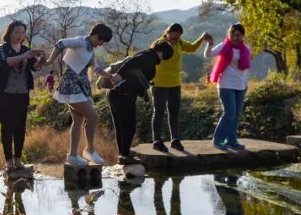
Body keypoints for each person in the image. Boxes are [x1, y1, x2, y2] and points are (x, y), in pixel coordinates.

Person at [43, 24, 116, 166]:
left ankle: (73, 155)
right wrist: (50, 61)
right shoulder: (80, 41)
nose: (100, 45)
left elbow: (97, 69)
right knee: (93, 116)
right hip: (71, 83)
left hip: (81, 85)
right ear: (96, 36)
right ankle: (89, 150)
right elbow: (60, 43)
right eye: (101, 41)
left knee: (78, 121)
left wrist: (110, 76)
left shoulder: (90, 50)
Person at [106, 41, 174, 165]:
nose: (163, 60)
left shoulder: (145, 54)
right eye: (165, 56)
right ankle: (124, 155)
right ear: (161, 52)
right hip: (123, 95)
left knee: (120, 126)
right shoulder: (149, 58)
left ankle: (122, 155)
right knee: (129, 126)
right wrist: (119, 75)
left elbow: (134, 71)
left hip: (115, 94)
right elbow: (130, 63)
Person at [0, 20, 46, 171]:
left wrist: (41, 59)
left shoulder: (25, 49)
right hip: (5, 94)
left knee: (20, 127)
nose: (20, 35)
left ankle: (18, 159)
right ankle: (9, 161)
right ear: (10, 33)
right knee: (7, 127)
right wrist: (26, 55)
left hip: (22, 93)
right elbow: (7, 62)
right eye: (17, 32)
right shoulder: (3, 48)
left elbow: (34, 67)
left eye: (22, 33)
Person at [149, 23, 211, 152]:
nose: (174, 40)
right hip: (159, 83)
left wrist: (202, 38)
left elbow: (193, 48)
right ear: (167, 33)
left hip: (175, 84)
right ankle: (157, 141)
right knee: (159, 113)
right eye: (172, 37)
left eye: (177, 38)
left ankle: (175, 140)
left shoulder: (180, 43)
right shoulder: (158, 44)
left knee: (174, 113)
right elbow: (150, 61)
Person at [205, 23, 252, 150]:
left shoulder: (245, 48)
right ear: (229, 34)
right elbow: (208, 55)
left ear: (243, 36)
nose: (235, 37)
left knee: (236, 114)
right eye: (233, 35)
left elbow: (246, 69)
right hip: (226, 84)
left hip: (240, 85)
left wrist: (246, 84)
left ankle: (232, 140)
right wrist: (209, 44)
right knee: (229, 112)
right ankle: (218, 140)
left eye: (238, 35)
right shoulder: (224, 46)